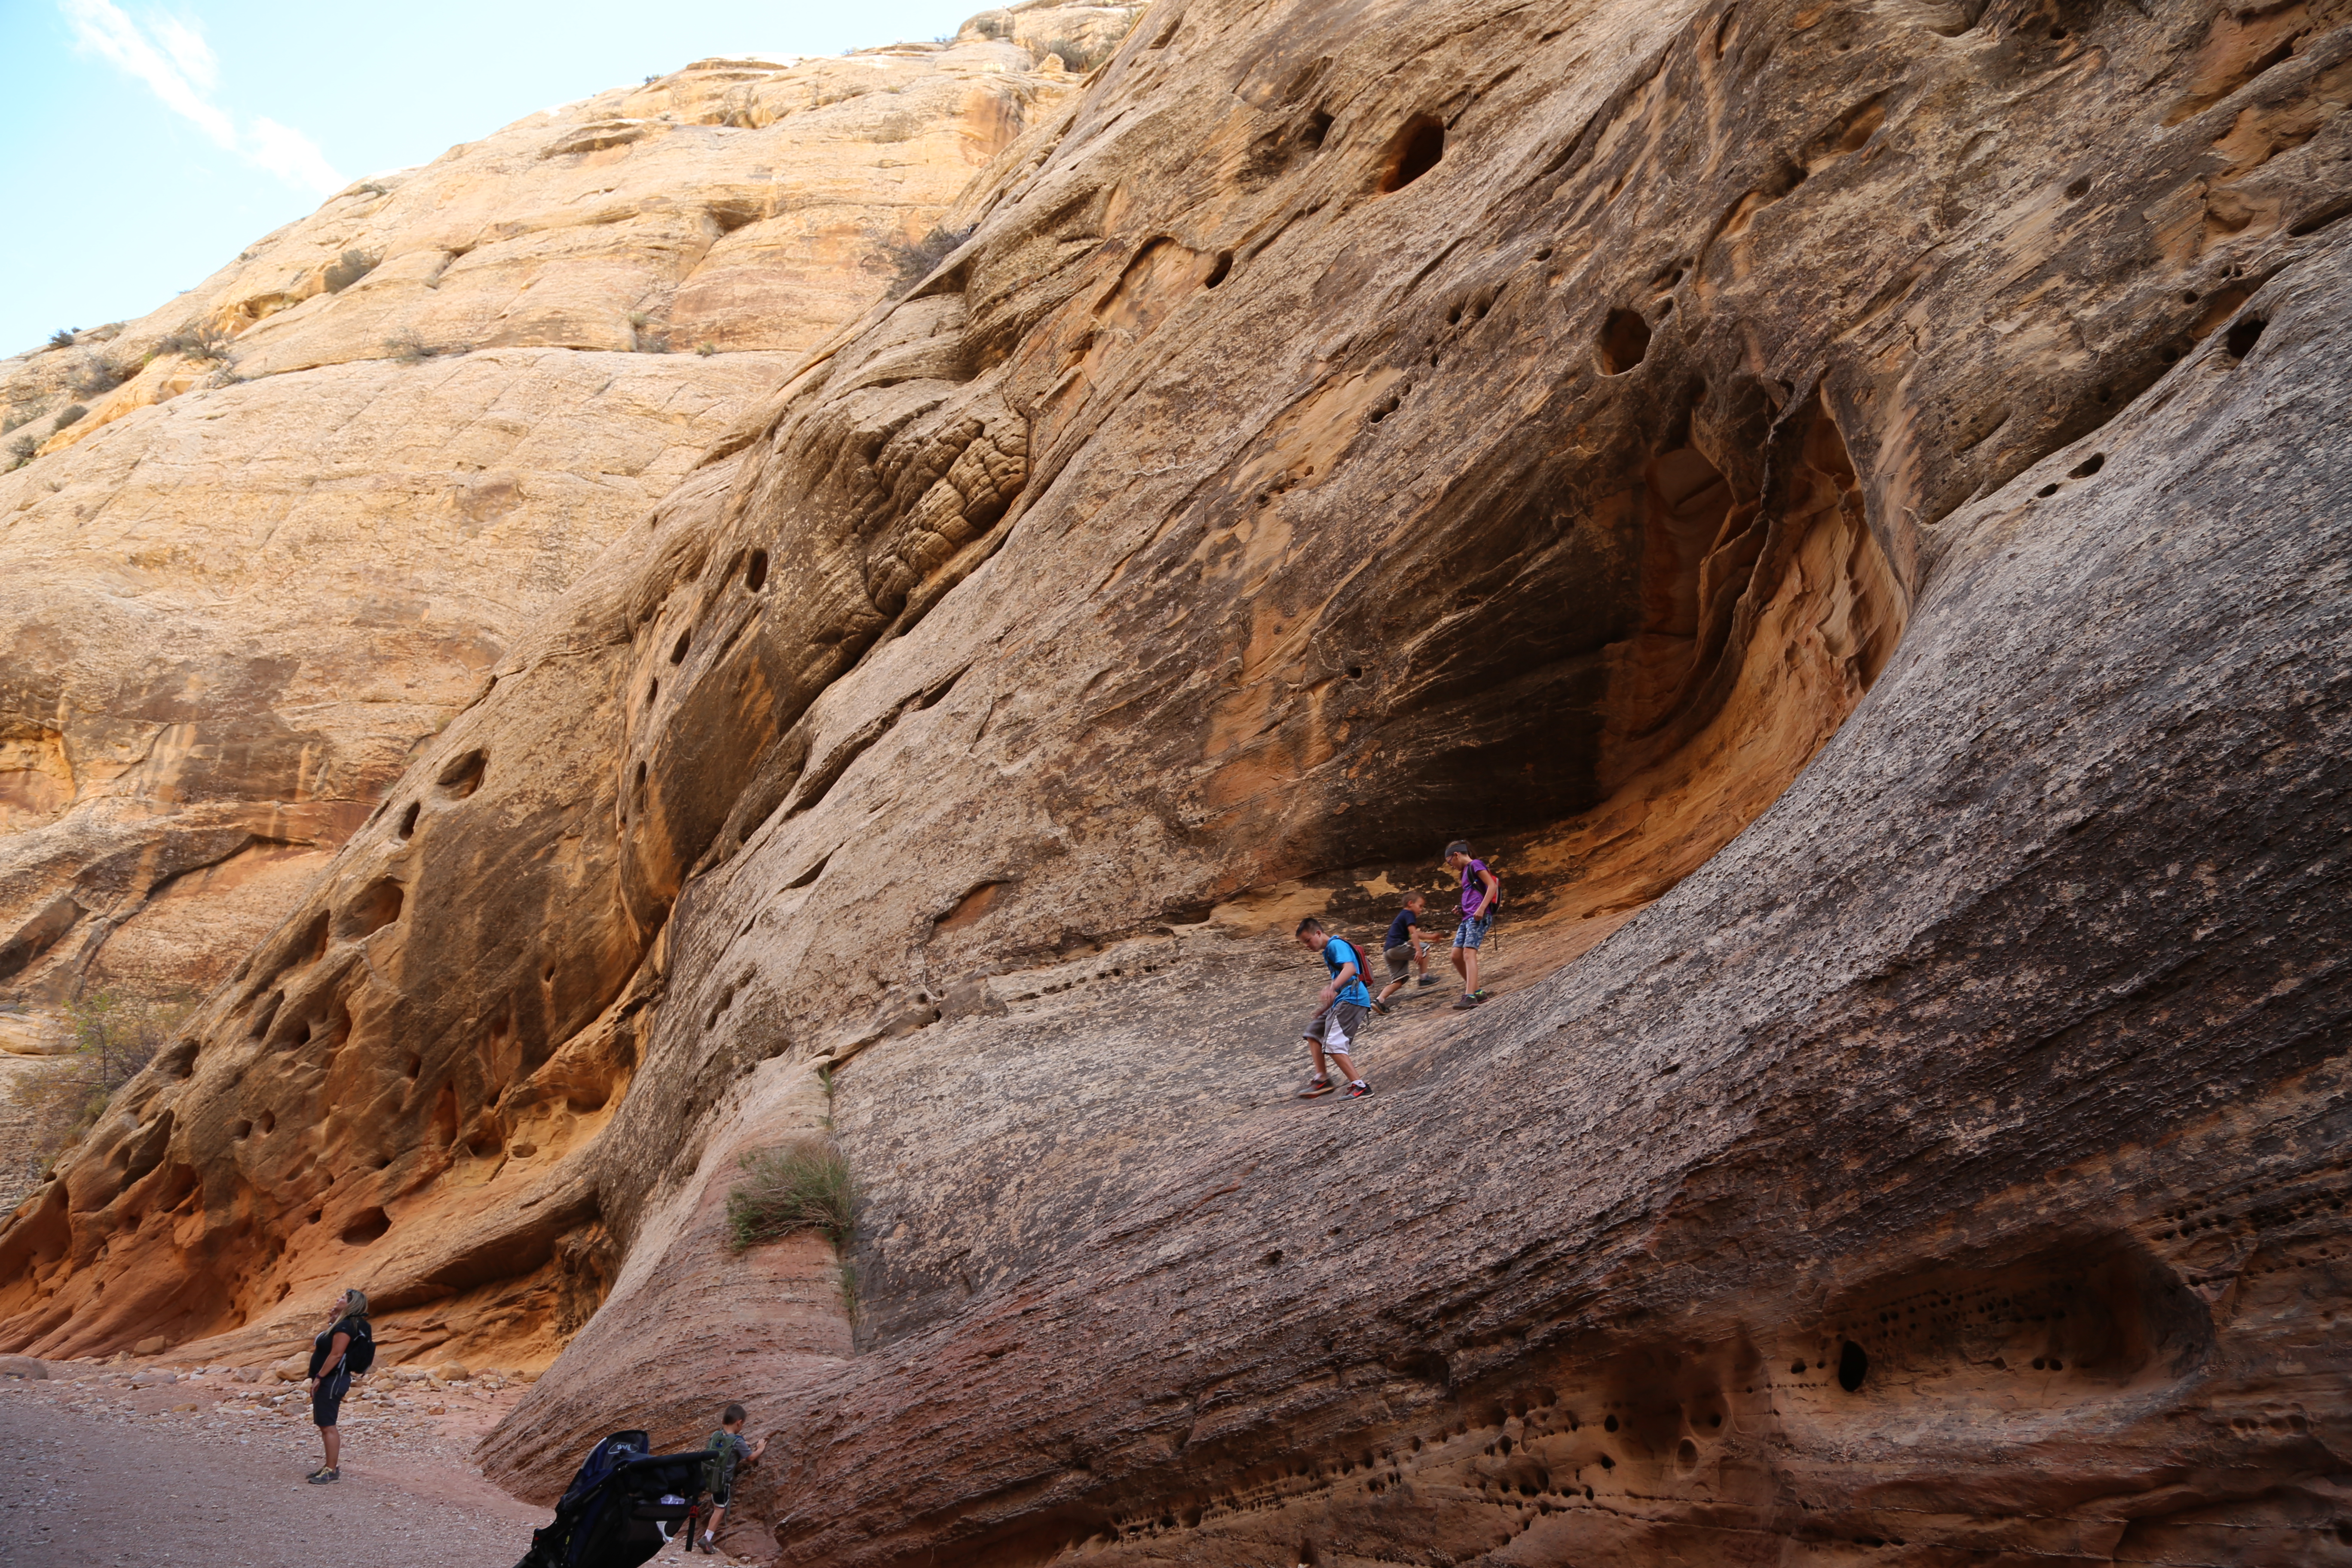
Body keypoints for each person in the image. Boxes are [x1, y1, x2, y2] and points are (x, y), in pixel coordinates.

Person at [1292, 917, 1372, 1099]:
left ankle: (1360, 1087)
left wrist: (1331, 987)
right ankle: (1322, 1079)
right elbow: (1344, 979)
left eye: (1308, 940)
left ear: (1318, 933)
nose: (1307, 945)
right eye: (1304, 943)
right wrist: (1327, 1007)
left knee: (1334, 1044)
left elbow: (1351, 969)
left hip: (1353, 999)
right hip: (1343, 998)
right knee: (1314, 1032)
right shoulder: (1330, 950)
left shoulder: (1335, 945)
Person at [304, 1287, 372, 1484]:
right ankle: (328, 1466)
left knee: (328, 1426)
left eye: (342, 1298)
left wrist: (319, 1377)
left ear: (351, 1304)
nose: (338, 1299)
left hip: (332, 1379)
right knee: (325, 1424)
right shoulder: (347, 1324)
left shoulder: (345, 1327)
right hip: (334, 1378)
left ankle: (331, 1471)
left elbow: (336, 1355)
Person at [690, 1403, 766, 1553]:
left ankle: (703, 1533)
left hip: (709, 1477)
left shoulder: (716, 1435)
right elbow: (750, 1458)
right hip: (723, 1481)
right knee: (720, 1509)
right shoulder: (738, 1441)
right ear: (739, 1422)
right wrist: (760, 1449)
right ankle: (707, 1538)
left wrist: (743, 1446)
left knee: (715, 1504)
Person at [1443, 840, 1501, 1010]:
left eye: (1450, 862)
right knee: (1456, 956)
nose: (1451, 866)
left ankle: (1469, 996)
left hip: (1479, 917)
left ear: (1457, 855)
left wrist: (1482, 909)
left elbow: (1492, 886)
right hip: (1468, 917)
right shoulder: (1465, 873)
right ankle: (1478, 992)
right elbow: (1474, 893)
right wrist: (1462, 909)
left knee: (1469, 953)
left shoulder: (1476, 864)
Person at [1371, 890, 1436, 1011]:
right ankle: (1424, 978)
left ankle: (1379, 1001)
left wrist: (1431, 936)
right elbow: (1413, 934)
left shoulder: (1403, 916)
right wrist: (1418, 950)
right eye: (1420, 906)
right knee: (1425, 948)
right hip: (1398, 947)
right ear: (1411, 903)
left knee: (1399, 981)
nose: (1422, 909)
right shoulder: (1409, 914)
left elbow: (1415, 934)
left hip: (1389, 952)